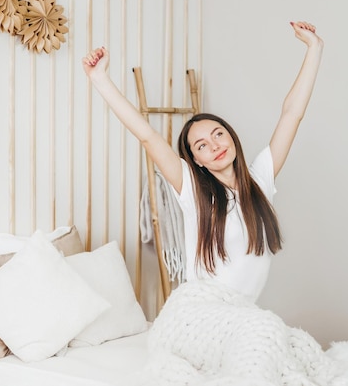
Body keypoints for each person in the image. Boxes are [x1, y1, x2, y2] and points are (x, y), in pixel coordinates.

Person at [82, 21, 323, 302]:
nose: (215, 145)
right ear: (196, 160)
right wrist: (99, 78)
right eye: (202, 145)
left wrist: (314, 48)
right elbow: (146, 135)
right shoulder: (193, 190)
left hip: (241, 317)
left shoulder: (260, 179)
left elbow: (291, 114)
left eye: (218, 134)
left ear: (231, 136)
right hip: (199, 315)